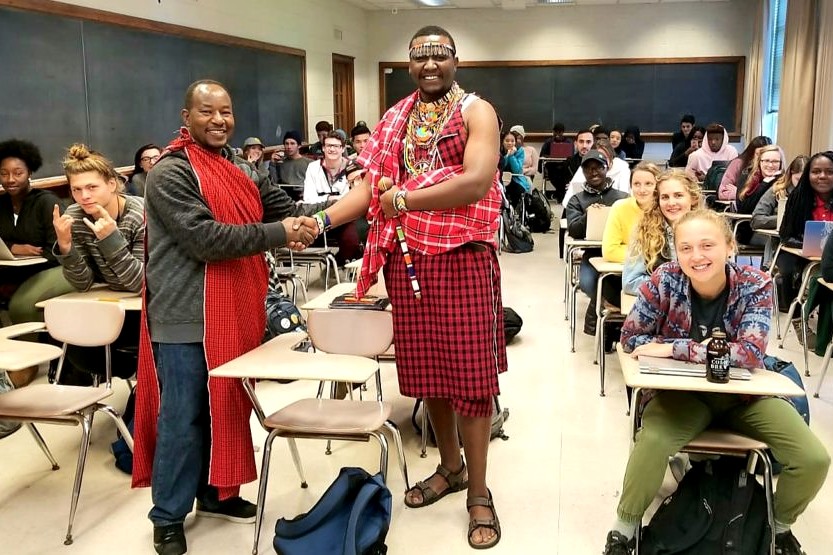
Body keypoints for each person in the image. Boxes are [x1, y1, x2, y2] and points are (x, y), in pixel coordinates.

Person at [308, 26, 507, 550]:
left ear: (456, 60)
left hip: (463, 257)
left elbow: (478, 179)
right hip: (407, 259)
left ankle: (479, 494)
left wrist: (406, 202)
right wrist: (320, 221)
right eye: (420, 57)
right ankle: (450, 467)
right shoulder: (397, 118)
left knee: (471, 379)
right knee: (430, 374)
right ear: (409, 63)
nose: (430, 64)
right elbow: (369, 189)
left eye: (440, 55)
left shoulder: (476, 111)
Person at [131, 79, 324, 555]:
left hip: (234, 312)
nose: (219, 120)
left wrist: (338, 209)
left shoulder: (239, 167)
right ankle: (169, 515)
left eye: (226, 111)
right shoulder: (170, 173)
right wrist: (282, 231)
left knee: (225, 409)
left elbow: (285, 209)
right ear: (186, 116)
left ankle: (216, 494)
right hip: (184, 314)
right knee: (185, 416)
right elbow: (206, 239)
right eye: (207, 112)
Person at [603, 209, 829, 555]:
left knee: (812, 458)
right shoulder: (664, 280)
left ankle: (778, 528)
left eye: (707, 245)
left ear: (729, 246)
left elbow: (751, 353)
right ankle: (624, 530)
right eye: (686, 248)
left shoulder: (756, 284)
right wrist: (703, 350)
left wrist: (674, 348)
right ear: (676, 252)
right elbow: (631, 339)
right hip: (681, 396)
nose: (697, 256)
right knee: (654, 441)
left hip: (741, 396)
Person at [52, 143, 144, 380]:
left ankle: (140, 381)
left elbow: (139, 283)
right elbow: (83, 284)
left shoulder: (140, 214)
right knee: (75, 347)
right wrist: (66, 246)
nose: (84, 196)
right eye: (76, 189)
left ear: (112, 184)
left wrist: (110, 240)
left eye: (92, 187)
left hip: (147, 311)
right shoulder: (75, 216)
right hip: (107, 306)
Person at [0, 138, 75, 387]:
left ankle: (24, 367)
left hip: (50, 268)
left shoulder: (47, 202)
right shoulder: (0, 205)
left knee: (21, 305)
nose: (10, 179)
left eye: (17, 173)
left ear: (30, 172)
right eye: (4, 173)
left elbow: (59, 248)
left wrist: (32, 255)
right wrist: (13, 249)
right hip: (10, 271)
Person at [565, 149, 629, 334]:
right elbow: (574, 230)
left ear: (606, 168)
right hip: (594, 253)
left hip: (620, 253)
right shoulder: (577, 199)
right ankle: (606, 316)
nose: (593, 173)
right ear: (583, 172)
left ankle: (607, 320)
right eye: (588, 169)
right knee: (587, 283)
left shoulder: (622, 197)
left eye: (598, 168)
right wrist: (589, 214)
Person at [777, 151, 833, 347]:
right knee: (797, 273)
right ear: (808, 175)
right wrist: (806, 245)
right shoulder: (798, 198)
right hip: (799, 253)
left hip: (830, 259)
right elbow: (785, 235)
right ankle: (800, 316)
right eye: (816, 171)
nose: (823, 176)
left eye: (829, 172)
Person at [622, 170, 701, 295]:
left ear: (693, 199)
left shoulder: (710, 230)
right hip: (663, 306)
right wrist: (674, 287)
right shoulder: (644, 232)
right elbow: (630, 282)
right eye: (664, 197)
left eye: (678, 195)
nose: (671, 203)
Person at [302, 131, 361, 265]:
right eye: (328, 146)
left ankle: (336, 263)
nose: (332, 149)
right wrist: (333, 199)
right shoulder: (313, 168)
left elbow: (352, 198)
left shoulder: (352, 167)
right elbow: (309, 199)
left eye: (336, 146)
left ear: (343, 148)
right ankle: (327, 262)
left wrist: (325, 198)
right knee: (300, 236)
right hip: (318, 215)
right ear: (323, 148)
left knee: (351, 242)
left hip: (343, 216)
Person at [602, 162, 661, 263]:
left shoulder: (666, 208)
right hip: (626, 270)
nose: (642, 190)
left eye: (648, 184)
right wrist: (649, 255)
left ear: (658, 186)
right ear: (631, 186)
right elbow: (610, 251)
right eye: (637, 184)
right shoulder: (619, 207)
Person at [733, 144, 785, 244]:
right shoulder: (747, 177)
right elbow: (744, 209)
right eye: (766, 161)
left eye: (775, 161)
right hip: (748, 230)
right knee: (774, 242)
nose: (770, 165)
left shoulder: (784, 182)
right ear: (759, 162)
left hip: (775, 229)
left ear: (781, 164)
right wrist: (765, 183)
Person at [565, 140, 630, 206]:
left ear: (611, 156)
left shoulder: (622, 168)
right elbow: (569, 200)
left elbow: (624, 199)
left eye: (603, 157)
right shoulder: (585, 167)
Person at [717, 135, 772, 201]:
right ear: (752, 154)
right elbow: (722, 193)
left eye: (765, 154)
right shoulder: (738, 164)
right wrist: (739, 194)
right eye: (758, 154)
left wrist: (740, 192)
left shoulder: (773, 167)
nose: (762, 158)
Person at [540, 123, 581, 204]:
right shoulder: (548, 142)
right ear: (553, 132)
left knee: (566, 173)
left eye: (560, 132)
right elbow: (542, 155)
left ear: (563, 132)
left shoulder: (569, 142)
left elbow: (572, 156)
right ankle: (560, 194)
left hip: (564, 167)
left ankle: (560, 194)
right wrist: (551, 156)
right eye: (556, 132)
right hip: (552, 167)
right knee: (555, 175)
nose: (557, 135)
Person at [499, 130, 532, 209]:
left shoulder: (520, 151)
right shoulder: (499, 151)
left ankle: (513, 210)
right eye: (507, 141)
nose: (510, 143)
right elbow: (501, 167)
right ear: (502, 141)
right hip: (501, 179)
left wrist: (511, 156)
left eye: (512, 141)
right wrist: (507, 156)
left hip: (515, 178)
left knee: (518, 190)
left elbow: (517, 170)